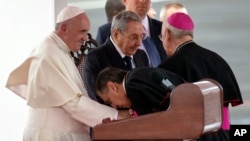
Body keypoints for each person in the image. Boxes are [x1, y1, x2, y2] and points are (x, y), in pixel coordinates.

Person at [5, 6, 131, 141]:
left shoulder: (59, 50)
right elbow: (73, 103)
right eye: (82, 31)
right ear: (64, 28)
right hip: (51, 136)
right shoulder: (48, 54)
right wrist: (116, 115)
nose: (85, 38)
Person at [158, 12, 243, 141]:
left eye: (161, 37)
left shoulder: (168, 67)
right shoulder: (217, 60)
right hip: (221, 135)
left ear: (167, 35)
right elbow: (225, 111)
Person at [83, 11, 149, 102]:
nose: (139, 43)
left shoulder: (141, 55)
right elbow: (97, 98)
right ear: (116, 34)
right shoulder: (96, 58)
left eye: (141, 36)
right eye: (134, 37)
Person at [95, 0, 167, 67]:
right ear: (124, 0)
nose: (142, 1)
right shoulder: (106, 32)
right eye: (133, 37)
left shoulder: (163, 29)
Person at [96, 67, 185, 115]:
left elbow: (144, 124)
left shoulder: (132, 85)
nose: (114, 106)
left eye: (109, 101)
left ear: (112, 87)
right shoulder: (137, 74)